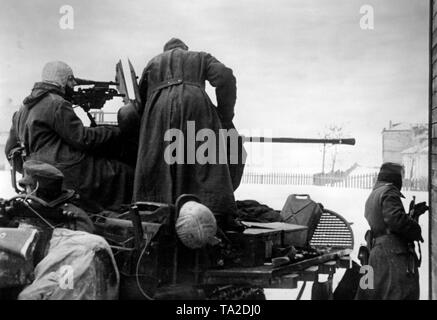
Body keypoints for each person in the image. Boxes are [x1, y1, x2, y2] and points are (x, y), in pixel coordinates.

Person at [133, 38, 244, 230]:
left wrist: (148, 124)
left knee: (159, 160)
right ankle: (214, 212)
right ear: (185, 49)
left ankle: (157, 212)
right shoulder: (200, 57)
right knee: (204, 160)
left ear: (165, 51)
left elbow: (139, 100)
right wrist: (225, 115)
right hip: (196, 104)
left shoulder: (153, 62)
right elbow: (225, 77)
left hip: (158, 108)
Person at [5, 61, 134, 212]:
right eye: (72, 80)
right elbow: (83, 139)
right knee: (124, 172)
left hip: (40, 179)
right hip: (66, 173)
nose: (74, 84)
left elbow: (10, 150)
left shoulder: (22, 110)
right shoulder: (57, 103)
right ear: (65, 80)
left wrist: (33, 171)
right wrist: (117, 131)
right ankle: (126, 216)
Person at [355, 162, 426, 300]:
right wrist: (415, 229)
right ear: (394, 177)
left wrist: (411, 215)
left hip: (379, 252)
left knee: (381, 294)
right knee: (399, 294)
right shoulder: (389, 191)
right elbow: (396, 220)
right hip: (393, 254)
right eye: (401, 176)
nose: (402, 180)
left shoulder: (375, 193)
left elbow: (386, 220)